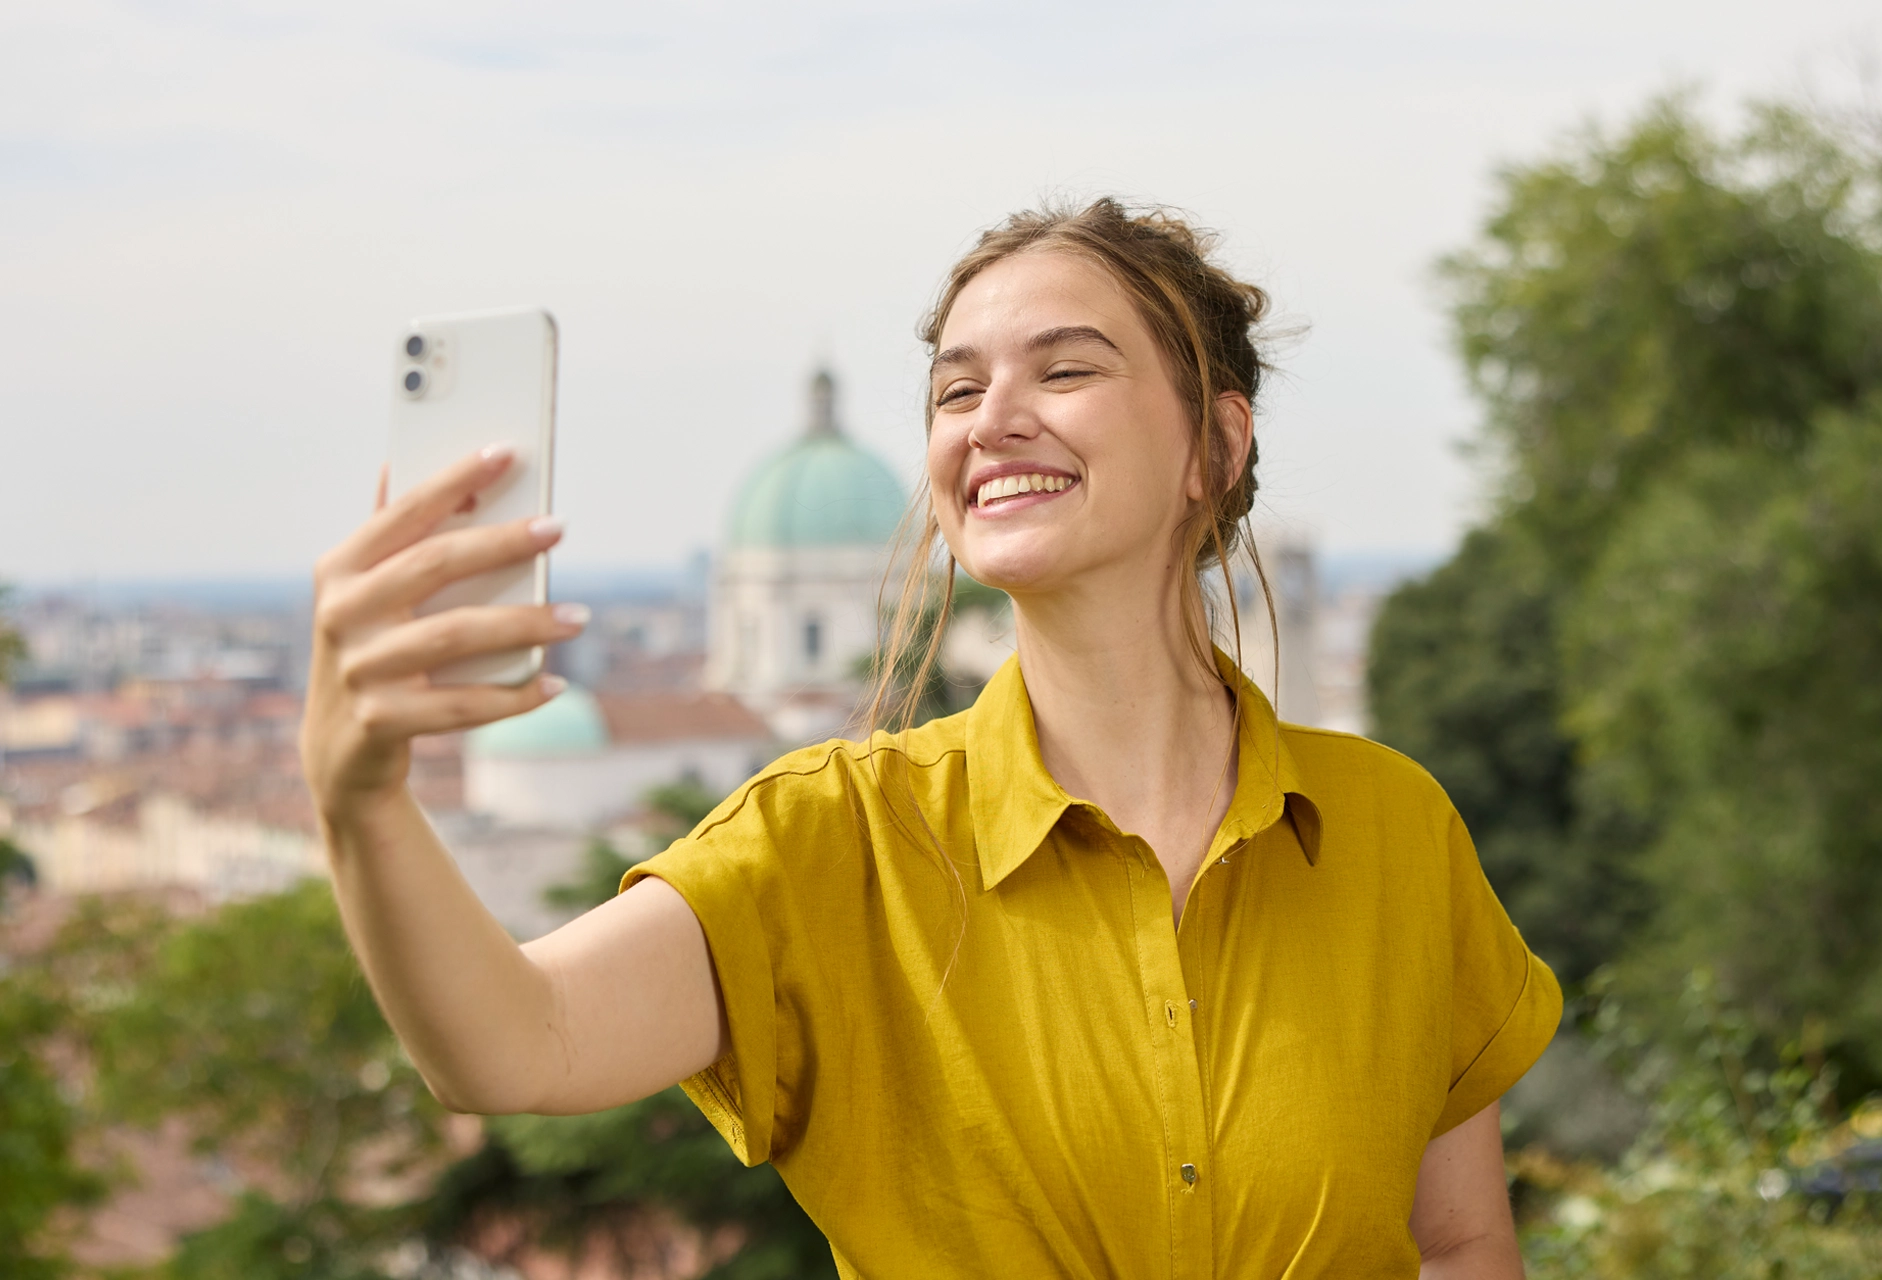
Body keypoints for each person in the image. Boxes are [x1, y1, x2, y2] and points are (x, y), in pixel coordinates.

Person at [301, 198, 1560, 1278]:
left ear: (1215, 446)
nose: (990, 417)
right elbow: (510, 1042)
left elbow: (1456, 1244)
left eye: (1063, 370)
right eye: (957, 389)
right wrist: (359, 797)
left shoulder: (1394, 824)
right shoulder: (829, 840)